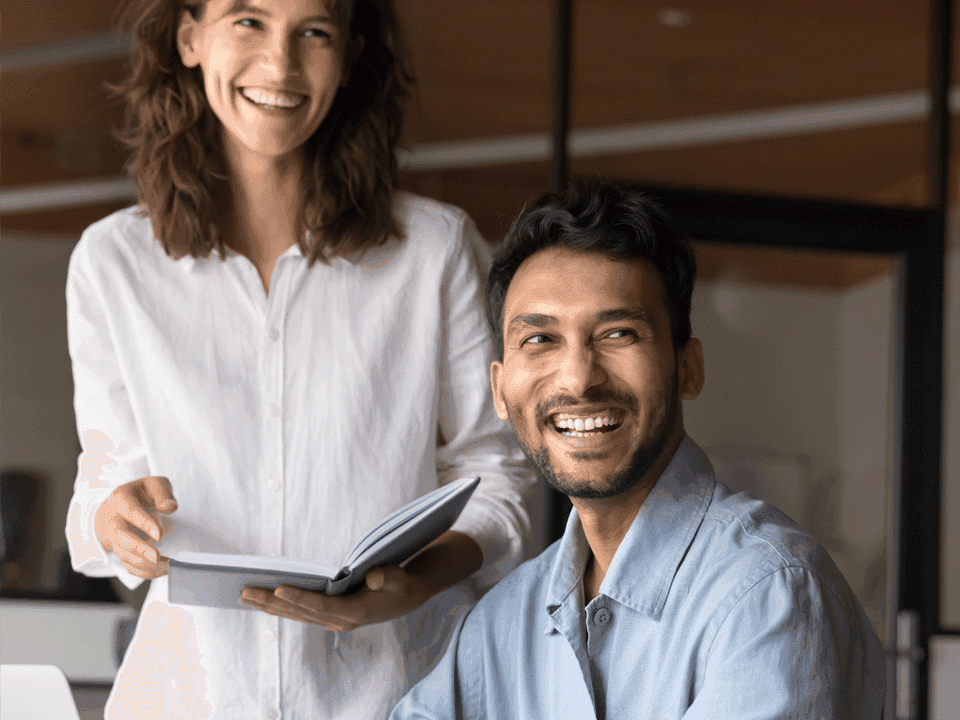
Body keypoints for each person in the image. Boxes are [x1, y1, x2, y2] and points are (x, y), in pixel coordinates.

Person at [64, 0, 533, 717]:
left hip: (390, 694)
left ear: (348, 56)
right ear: (190, 38)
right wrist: (112, 522)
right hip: (190, 695)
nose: (279, 65)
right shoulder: (112, 263)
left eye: (313, 32)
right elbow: (100, 490)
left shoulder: (433, 250)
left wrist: (423, 580)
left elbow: (500, 477)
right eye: (248, 21)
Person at [391, 182, 887, 719]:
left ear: (688, 369)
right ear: (500, 390)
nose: (579, 379)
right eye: (540, 340)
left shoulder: (768, 594)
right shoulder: (498, 628)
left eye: (618, 333)